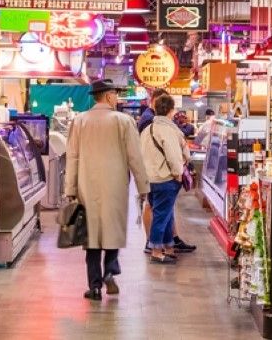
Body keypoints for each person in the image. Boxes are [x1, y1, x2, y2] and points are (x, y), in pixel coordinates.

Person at [64, 79, 149, 300]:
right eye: (116, 95)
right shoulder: (124, 121)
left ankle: (94, 287)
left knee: (91, 236)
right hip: (115, 186)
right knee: (112, 230)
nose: (118, 99)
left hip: (86, 186)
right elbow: (135, 158)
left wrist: (70, 189)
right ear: (109, 96)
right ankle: (110, 270)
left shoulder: (80, 121)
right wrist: (143, 187)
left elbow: (72, 157)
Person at [141, 94, 189, 264]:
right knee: (162, 216)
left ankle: (168, 247)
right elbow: (175, 156)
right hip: (165, 179)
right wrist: (178, 174)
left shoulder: (148, 129)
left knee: (166, 215)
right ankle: (156, 251)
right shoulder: (168, 130)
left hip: (150, 179)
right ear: (171, 110)